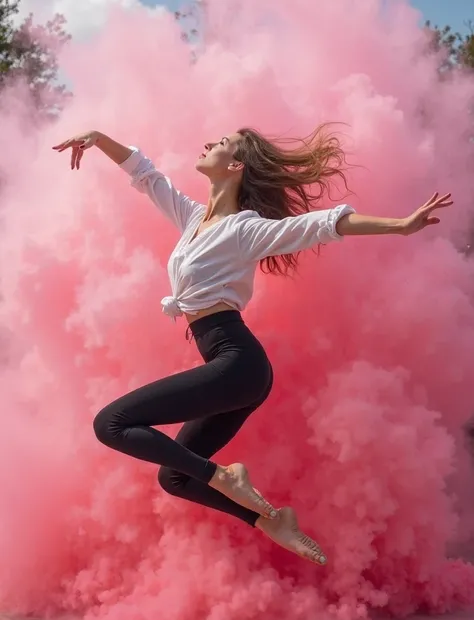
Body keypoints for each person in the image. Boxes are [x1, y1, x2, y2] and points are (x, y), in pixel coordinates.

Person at [53, 127, 453, 565]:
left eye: (219, 143)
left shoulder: (245, 229)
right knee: (176, 477)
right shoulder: (192, 221)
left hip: (237, 364)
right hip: (234, 370)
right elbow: (146, 174)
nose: (207, 143)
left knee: (110, 423)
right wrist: (98, 138)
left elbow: (321, 225)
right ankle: (269, 521)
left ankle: (226, 477)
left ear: (236, 166)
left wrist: (400, 225)